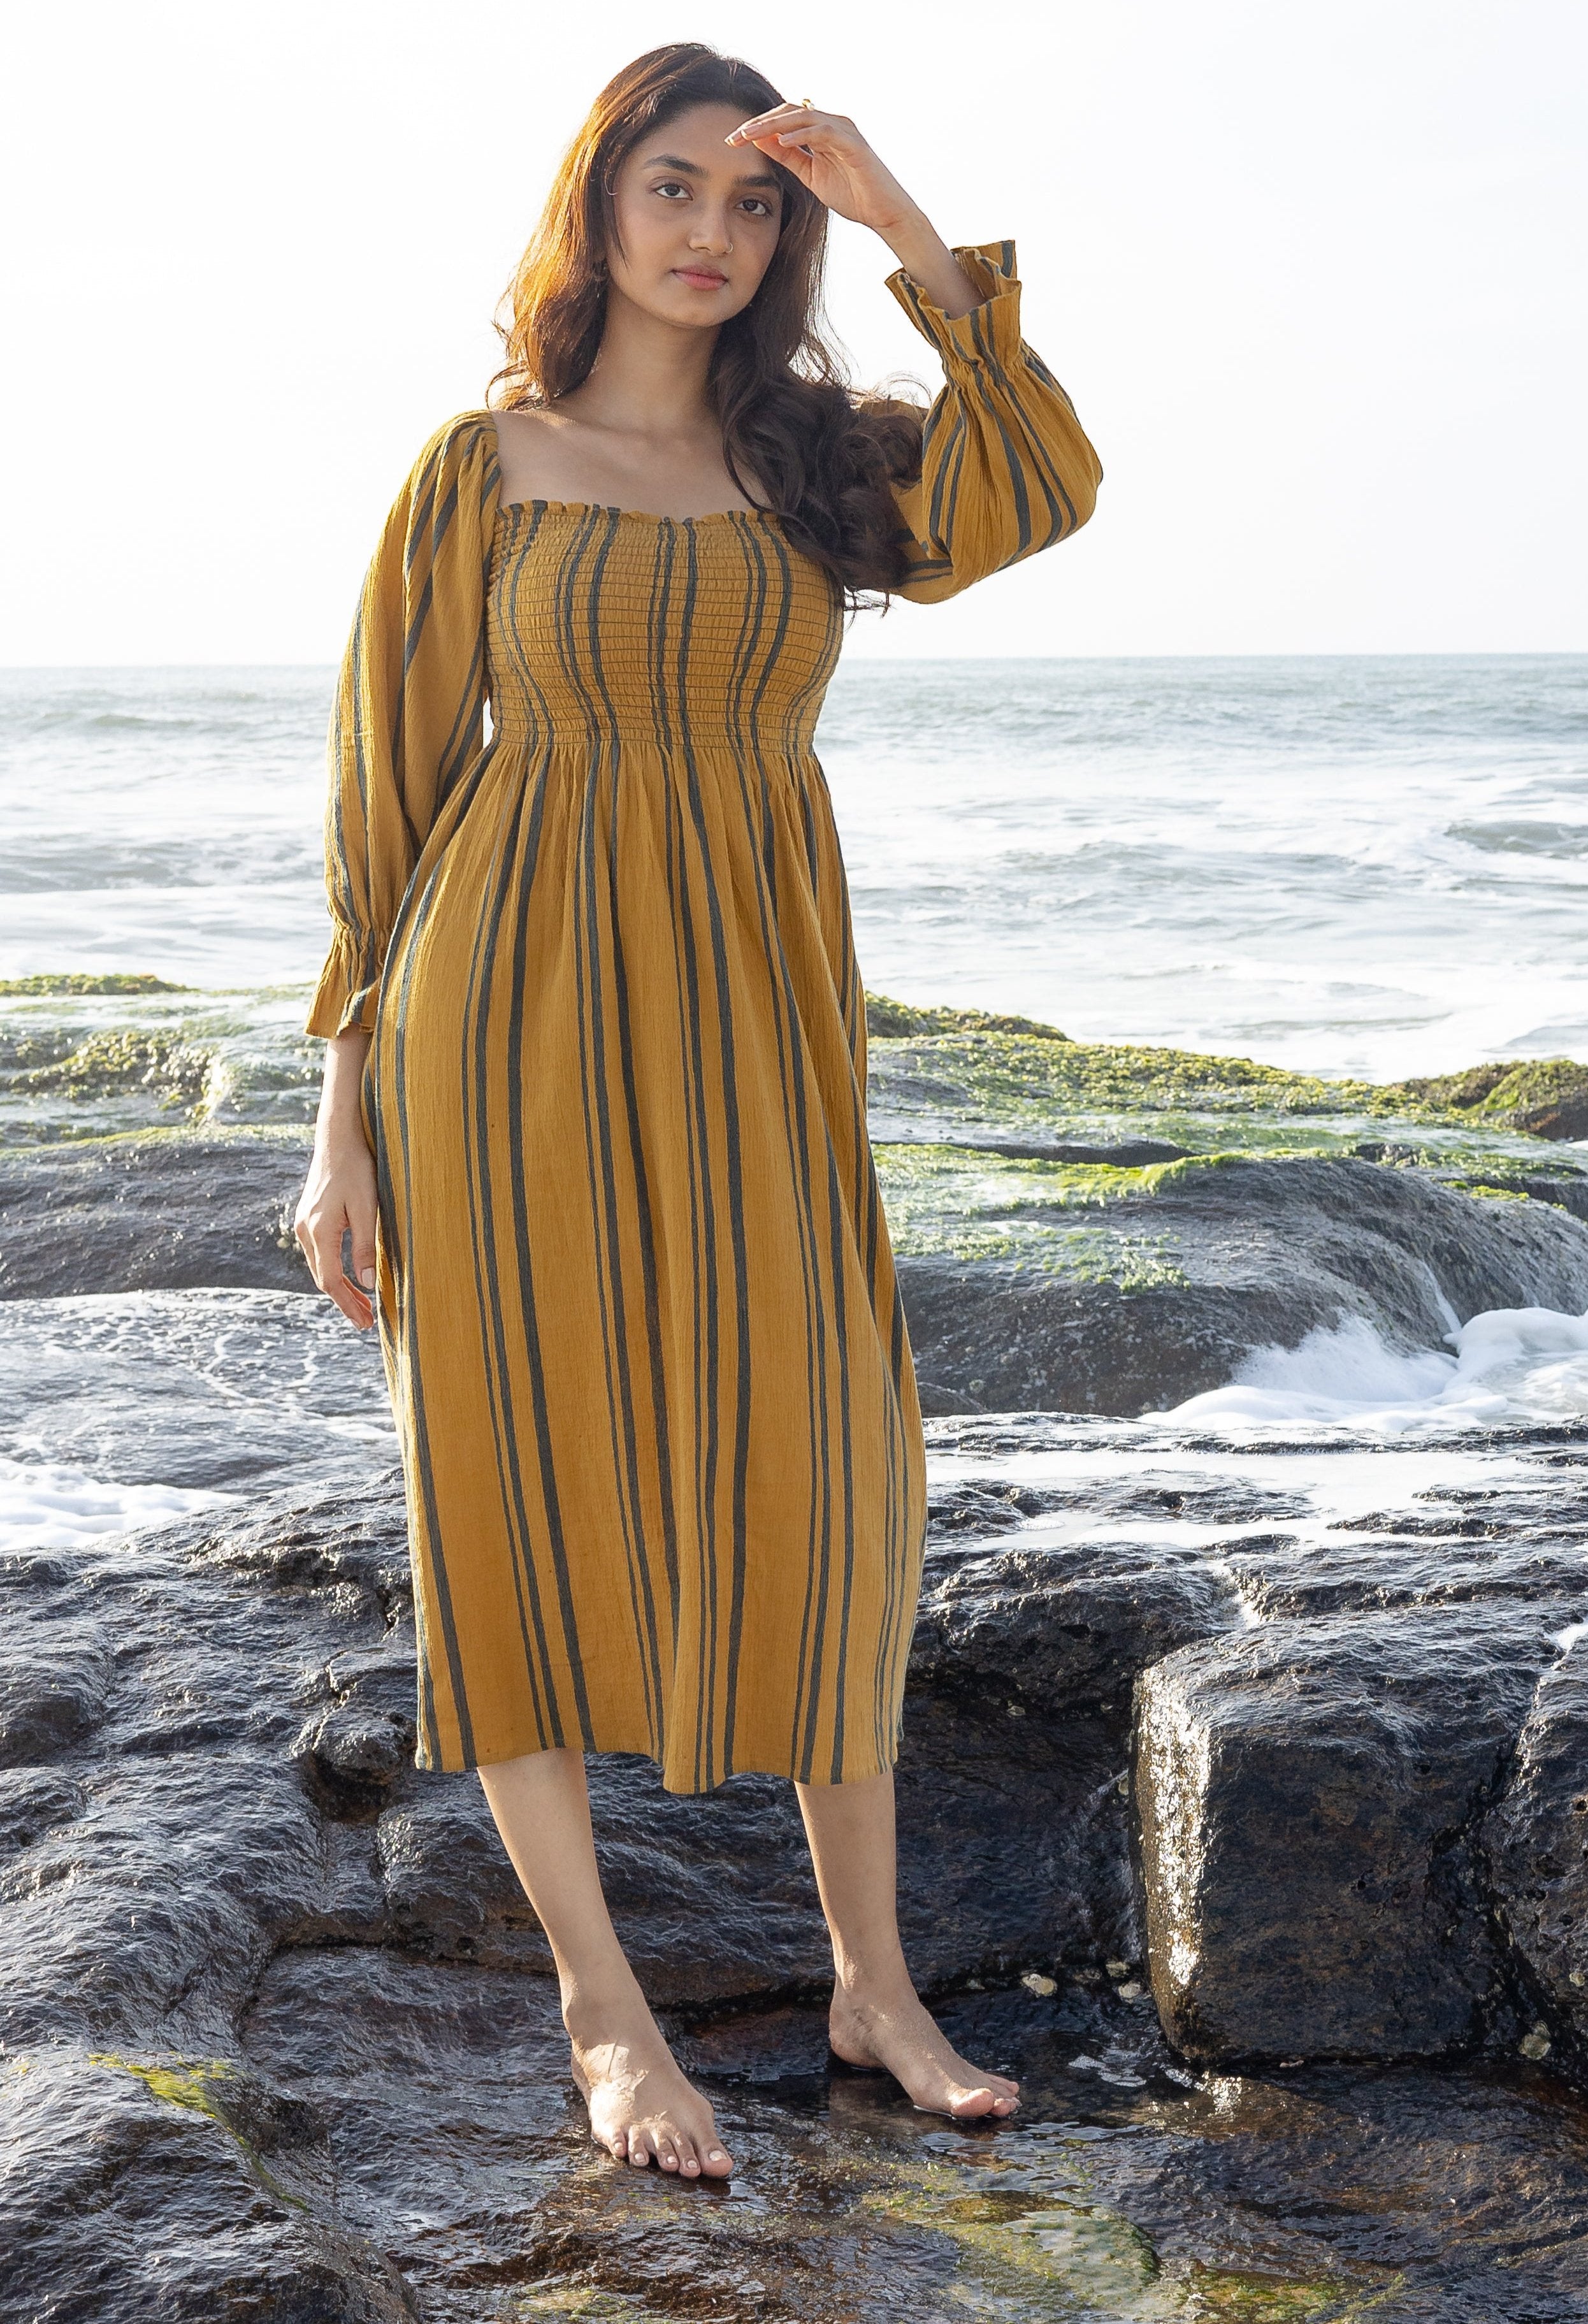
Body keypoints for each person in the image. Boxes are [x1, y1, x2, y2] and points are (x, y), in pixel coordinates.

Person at [291, 40, 1099, 2182]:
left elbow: (1046, 485)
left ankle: (874, 1984)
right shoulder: (486, 465)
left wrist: (910, 220)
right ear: (598, 206)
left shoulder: (820, 463)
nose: (712, 236)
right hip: (499, 1013)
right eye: (673, 190)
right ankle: (604, 2013)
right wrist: (342, 1123)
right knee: (517, 1472)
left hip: (753, 1008)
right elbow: (386, 801)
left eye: (754, 207)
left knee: (835, 1460)